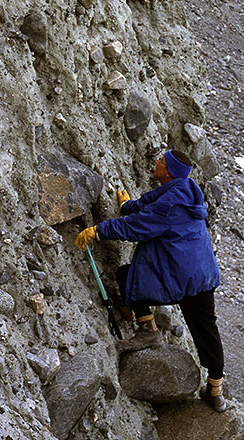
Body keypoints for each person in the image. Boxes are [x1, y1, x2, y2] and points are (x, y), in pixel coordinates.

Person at [74, 150, 227, 412]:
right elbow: (151, 204)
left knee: (128, 277)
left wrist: (99, 230)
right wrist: (127, 206)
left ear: (167, 172)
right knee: (206, 331)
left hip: (183, 276)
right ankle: (215, 390)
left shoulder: (169, 205)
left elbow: (139, 226)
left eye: (161, 162)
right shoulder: (185, 188)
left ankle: (148, 332)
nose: (156, 163)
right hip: (202, 273)